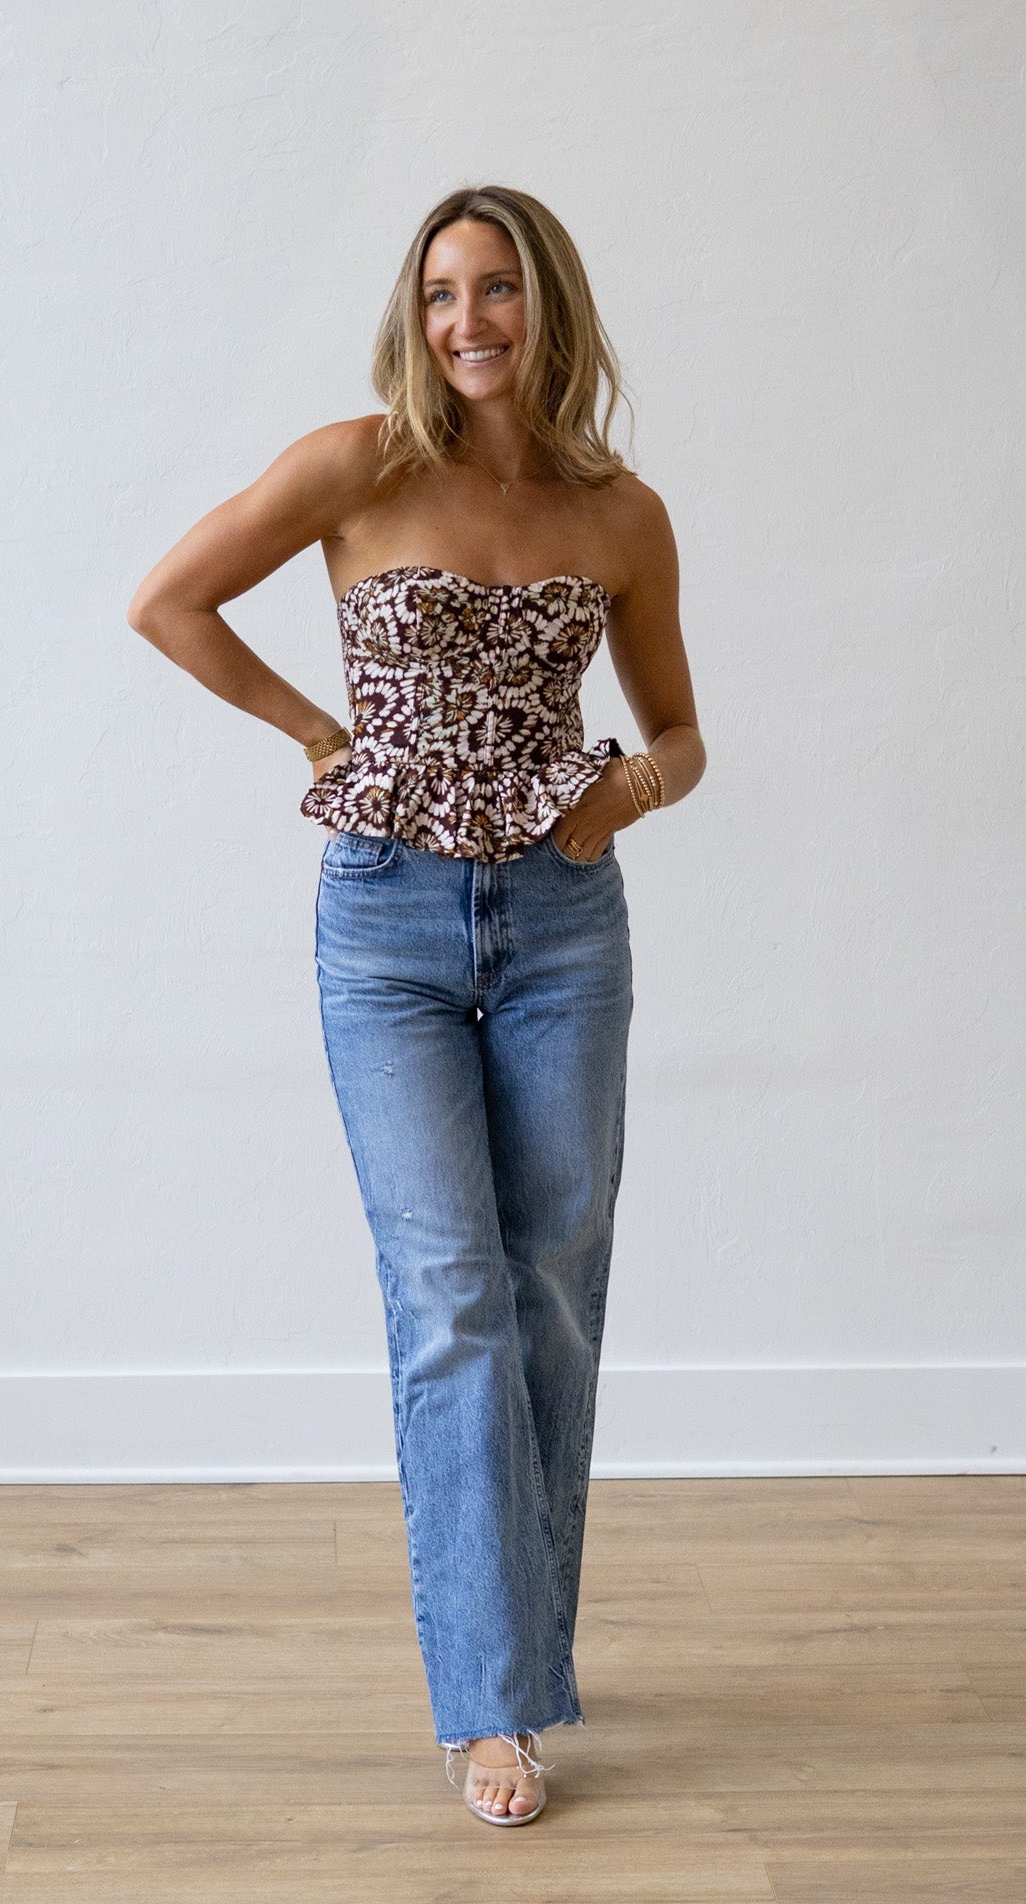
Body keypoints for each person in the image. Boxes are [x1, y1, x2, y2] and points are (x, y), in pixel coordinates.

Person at [127, 184, 706, 1827]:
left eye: (500, 291)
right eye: (444, 292)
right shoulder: (354, 465)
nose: (469, 322)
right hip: (382, 924)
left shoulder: (621, 513)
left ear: (550, 309)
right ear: (414, 309)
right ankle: (489, 1706)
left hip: (560, 925)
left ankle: (515, 1641)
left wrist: (633, 790)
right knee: (449, 1290)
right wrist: (321, 738)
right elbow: (168, 602)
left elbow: (681, 730)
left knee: (548, 1285)